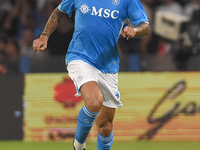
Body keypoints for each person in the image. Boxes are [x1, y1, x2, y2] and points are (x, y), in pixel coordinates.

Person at [32, 0, 150, 149]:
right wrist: (44, 35)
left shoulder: (127, 1)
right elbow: (59, 11)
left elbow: (145, 26)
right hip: (80, 56)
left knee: (105, 126)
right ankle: (79, 145)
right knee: (94, 101)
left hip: (108, 64)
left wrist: (135, 30)